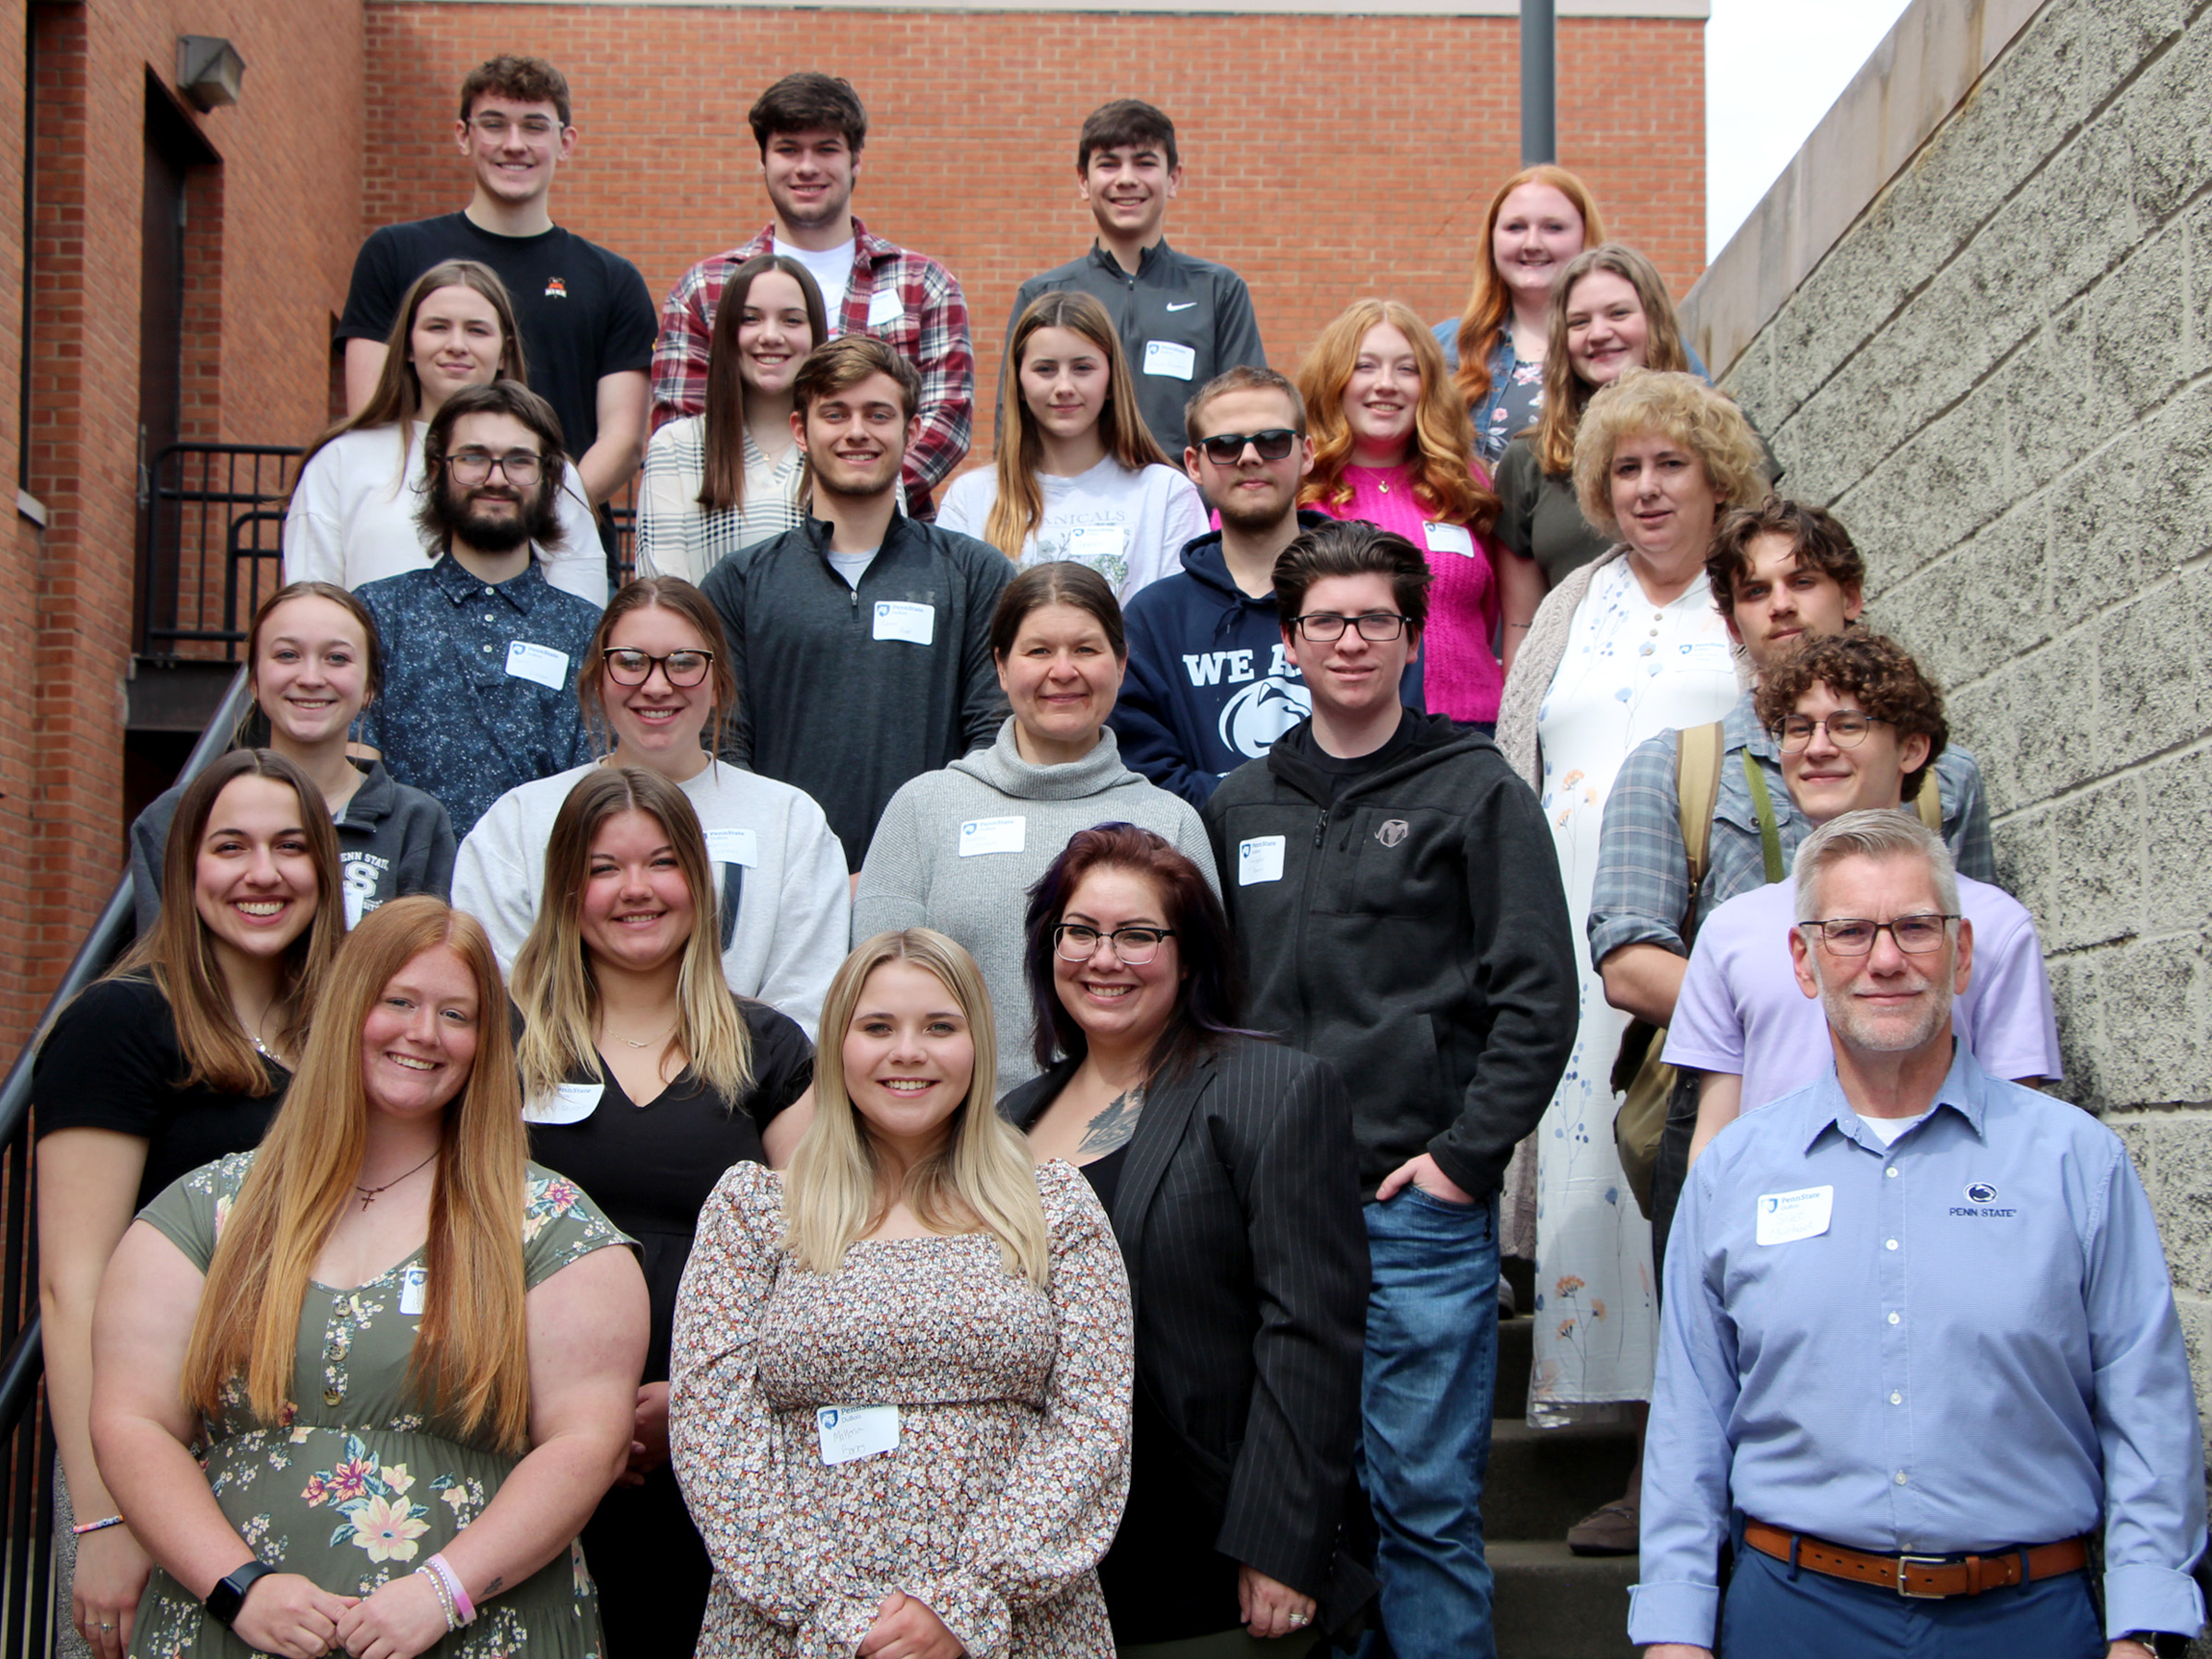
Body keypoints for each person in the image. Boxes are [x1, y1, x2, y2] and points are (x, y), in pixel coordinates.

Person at [1631, 813, 2206, 1659]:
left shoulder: (2075, 1161)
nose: (1886, 959)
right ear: (1803, 960)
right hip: (1793, 1616)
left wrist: (2144, 1628)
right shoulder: (1733, 1173)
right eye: (1850, 931)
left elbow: (2148, 1406)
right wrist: (1675, 1631)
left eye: (1914, 928)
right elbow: (1690, 1415)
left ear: (1963, 952)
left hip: (2029, 1619)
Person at [89, 896, 649, 1659]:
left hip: (476, 1631)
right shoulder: (211, 1210)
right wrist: (239, 1586)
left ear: (485, 1042)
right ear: (349, 1009)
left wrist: (442, 1592)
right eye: (399, 1002)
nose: (425, 1033)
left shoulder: (549, 1224)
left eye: (457, 1015)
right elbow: (133, 1421)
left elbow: (588, 1441)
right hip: (230, 1631)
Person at [1203, 521, 1577, 1659]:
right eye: (1326, 622)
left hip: (1409, 1211)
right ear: (1291, 642)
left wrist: (1466, 1162)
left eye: (1376, 620)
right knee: (1310, 1520)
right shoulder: (1236, 806)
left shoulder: (1473, 790)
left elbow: (1539, 997)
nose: (1351, 640)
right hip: (1268, 1221)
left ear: (1414, 638)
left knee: (1423, 1513)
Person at [667, 928, 1133, 1657]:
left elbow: (1094, 1424)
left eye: (939, 1027)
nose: (907, 1051)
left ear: (977, 1045)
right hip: (794, 1626)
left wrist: (964, 1604)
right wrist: (838, 1615)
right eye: (877, 1027)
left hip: (1017, 1621)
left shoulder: (1055, 1207)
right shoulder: (754, 1213)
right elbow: (713, 1437)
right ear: (836, 1046)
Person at [1491, 369, 1767, 1554]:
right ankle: (1647, 1454)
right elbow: (1518, 762)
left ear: (1720, 481)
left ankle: (1704, 1468)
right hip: (1575, 951)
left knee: (1697, 1182)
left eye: (1672, 467)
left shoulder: (1750, 590)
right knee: (1604, 1185)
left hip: (1704, 945)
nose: (1648, 490)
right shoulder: (1574, 603)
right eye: (1626, 471)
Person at [1589, 499, 1999, 1277]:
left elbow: (1978, 958)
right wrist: (1803, 1013)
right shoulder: (1676, 767)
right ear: (1730, 617)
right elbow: (1629, 963)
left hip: (1916, 1101)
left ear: (1851, 595)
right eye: (1753, 590)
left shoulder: (1944, 778)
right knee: (1722, 1336)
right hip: (1730, 1096)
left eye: (1803, 580)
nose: (1780, 604)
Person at [1000, 825, 1372, 1651]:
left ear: (1191, 953)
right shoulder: (1004, 1124)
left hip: (1205, 1549)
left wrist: (1280, 1541)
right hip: (1035, 1557)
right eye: (1081, 932)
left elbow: (1310, 1332)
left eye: (1138, 935)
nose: (1105, 958)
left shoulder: (1271, 1091)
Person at [37, 750, 345, 1659]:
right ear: (185, 868)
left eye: (291, 848)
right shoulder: (119, 1023)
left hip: (307, 1439)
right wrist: (102, 1515)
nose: (263, 874)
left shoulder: (348, 1032)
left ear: (325, 871)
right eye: (230, 847)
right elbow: (71, 1285)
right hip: (150, 1439)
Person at [512, 767, 817, 1657]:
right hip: (529, 1438)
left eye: (661, 863)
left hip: (725, 1446)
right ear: (570, 892)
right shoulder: (508, 1044)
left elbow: (814, 1255)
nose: (636, 890)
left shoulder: (767, 1047)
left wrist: (697, 1400)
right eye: (606, 869)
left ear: (698, 882)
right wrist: (577, 1414)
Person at [1665, 631, 2060, 1150]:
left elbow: (2019, 1131)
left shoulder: (1992, 924)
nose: (1818, 747)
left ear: (1912, 749)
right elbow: (1716, 1138)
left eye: (1848, 726)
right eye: (1798, 728)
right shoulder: (1731, 930)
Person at [854, 562, 1217, 1095]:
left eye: (1086, 650)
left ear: (1120, 664)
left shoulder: (1171, 821)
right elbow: (876, 1001)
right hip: (957, 1143)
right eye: (1039, 650)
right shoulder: (923, 808)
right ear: (1001, 667)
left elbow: (1201, 1008)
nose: (1063, 670)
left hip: (1129, 1139)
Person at [454, 576, 849, 1037]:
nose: (657, 685)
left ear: (719, 683)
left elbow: (806, 1004)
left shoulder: (790, 822)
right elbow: (500, 993)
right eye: (630, 662)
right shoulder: (520, 820)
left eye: (684, 663)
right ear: (598, 681)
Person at [699, 336, 1014, 871]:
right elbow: (723, 744)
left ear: (910, 431)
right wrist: (792, 868)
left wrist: (904, 866)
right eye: (835, 414)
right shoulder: (738, 583)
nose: (857, 432)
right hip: (781, 879)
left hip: (932, 878)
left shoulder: (975, 574)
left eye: (878, 414)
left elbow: (992, 737)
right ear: (801, 429)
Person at [336, 56, 655, 525]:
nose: (513, 144)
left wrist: (535, 519)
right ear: (463, 136)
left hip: (559, 547)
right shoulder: (395, 254)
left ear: (565, 142)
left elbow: (623, 441)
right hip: (415, 537)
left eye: (533, 127)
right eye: (494, 124)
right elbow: (372, 413)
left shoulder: (612, 279)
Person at [653, 73, 971, 518]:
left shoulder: (924, 285)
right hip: (737, 533)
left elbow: (947, 419)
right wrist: (774, 508)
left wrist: (847, 497)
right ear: (762, 160)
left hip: (883, 539)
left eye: (826, 149)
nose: (806, 167)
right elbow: (681, 423)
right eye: (788, 149)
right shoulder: (705, 290)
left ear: (856, 159)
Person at [1111, 367, 1419, 807]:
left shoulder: (1373, 593)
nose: (1250, 457)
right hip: (1208, 864)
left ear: (1307, 453)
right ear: (1194, 465)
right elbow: (1148, 781)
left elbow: (1398, 751)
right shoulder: (1154, 618)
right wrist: (1271, 811)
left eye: (1272, 441)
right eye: (1224, 445)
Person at [130, 582, 456, 935]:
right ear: (254, 680)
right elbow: (164, 969)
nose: (311, 678)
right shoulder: (180, 814)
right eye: (287, 655)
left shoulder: (416, 823)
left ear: (369, 687)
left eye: (337, 658)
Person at [356, 381, 602, 838]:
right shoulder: (375, 614)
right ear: (436, 471)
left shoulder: (591, 631)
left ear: (549, 479)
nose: (496, 478)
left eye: (519, 460)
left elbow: (598, 793)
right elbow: (354, 778)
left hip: (542, 895)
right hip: (404, 895)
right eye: (472, 457)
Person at [287, 261, 606, 604]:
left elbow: (581, 610)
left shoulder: (545, 468)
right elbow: (309, 602)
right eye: (437, 327)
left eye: (477, 330)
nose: (456, 344)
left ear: (505, 351)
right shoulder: (341, 460)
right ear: (408, 345)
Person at [1491, 244, 1761, 636]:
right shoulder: (1528, 461)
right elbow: (1523, 625)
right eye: (1579, 322)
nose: (1599, 334)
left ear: (1654, 320)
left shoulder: (1725, 433)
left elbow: (1766, 573)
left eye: (1618, 313)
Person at [1008, 99, 1266, 460]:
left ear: (1173, 179)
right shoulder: (1044, 295)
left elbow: (1248, 415)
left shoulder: (1218, 291)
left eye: (1145, 163)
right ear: (1083, 181)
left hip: (1190, 506)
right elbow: (1013, 427)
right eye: (1108, 164)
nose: (1126, 179)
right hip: (1073, 505)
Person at [1297, 298, 1506, 730]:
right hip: (1342, 733)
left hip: (1472, 729)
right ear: (1333, 378)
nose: (1387, 384)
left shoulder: (1465, 484)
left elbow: (1490, 614)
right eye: (1365, 366)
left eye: (1407, 369)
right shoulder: (1296, 487)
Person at [940, 291, 1207, 603]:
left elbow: (1182, 622)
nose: (1064, 387)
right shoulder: (971, 497)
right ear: (1019, 383)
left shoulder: (1165, 494)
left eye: (1082, 368)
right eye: (1045, 369)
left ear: (1111, 380)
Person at [635, 254, 826, 585]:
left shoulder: (846, 444)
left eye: (792, 321)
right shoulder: (675, 447)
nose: (770, 335)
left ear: (815, 335)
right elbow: (666, 595)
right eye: (750, 319)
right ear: (726, 333)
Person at [1432, 165, 1606, 465]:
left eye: (1554, 227)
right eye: (1515, 227)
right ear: (1492, 240)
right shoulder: (1442, 346)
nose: (1532, 243)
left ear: (1584, 238)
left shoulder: (1629, 339)